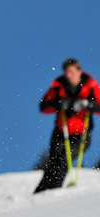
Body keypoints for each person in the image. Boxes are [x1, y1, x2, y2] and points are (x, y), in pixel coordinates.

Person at [35, 58, 100, 193]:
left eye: (71, 72)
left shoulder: (90, 86)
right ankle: (40, 193)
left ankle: (54, 191)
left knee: (64, 160)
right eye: (66, 72)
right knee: (53, 162)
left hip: (81, 133)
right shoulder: (59, 86)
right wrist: (57, 103)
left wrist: (88, 104)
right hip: (61, 131)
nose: (69, 75)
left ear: (79, 71)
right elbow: (43, 106)